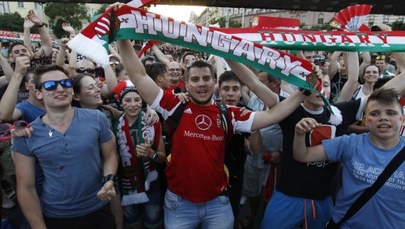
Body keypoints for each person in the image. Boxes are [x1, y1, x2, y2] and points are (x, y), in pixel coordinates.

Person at [117, 39, 307, 228]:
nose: (201, 84)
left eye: (206, 78)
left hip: (218, 205)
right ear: (186, 84)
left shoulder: (230, 114)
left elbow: (273, 115)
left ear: (214, 81)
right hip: (179, 205)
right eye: (195, 79)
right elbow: (139, 76)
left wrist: (303, 92)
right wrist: (122, 36)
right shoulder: (174, 105)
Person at [12, 65, 118, 229]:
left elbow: (110, 155)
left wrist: (108, 180)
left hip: (98, 208)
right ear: (38, 93)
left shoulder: (97, 119)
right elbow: (26, 188)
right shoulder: (27, 134)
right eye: (50, 85)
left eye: (66, 83)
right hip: (57, 216)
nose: (60, 89)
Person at [293, 87, 405, 228]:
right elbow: (302, 155)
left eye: (391, 113)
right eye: (375, 113)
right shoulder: (350, 143)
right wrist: (299, 134)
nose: (383, 118)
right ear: (366, 120)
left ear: (402, 119)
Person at [114, 84, 165, 229]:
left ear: (142, 102)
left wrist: (151, 153)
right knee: (132, 221)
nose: (133, 104)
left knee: (153, 218)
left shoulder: (153, 122)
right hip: (127, 182)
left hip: (151, 182)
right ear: (121, 103)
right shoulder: (114, 124)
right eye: (128, 100)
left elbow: (162, 157)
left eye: (137, 100)